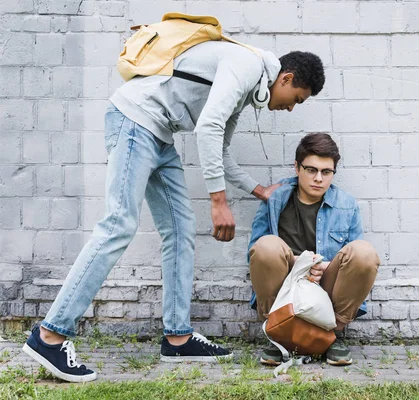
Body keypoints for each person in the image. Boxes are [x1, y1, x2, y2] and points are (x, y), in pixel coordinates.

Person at [22, 35, 325, 382]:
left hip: (158, 134)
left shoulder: (245, 88)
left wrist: (258, 190)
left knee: (181, 230)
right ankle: (51, 334)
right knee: (118, 226)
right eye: (296, 100)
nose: (291, 107)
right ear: (285, 79)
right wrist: (218, 201)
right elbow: (207, 127)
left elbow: (220, 149)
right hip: (135, 122)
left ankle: (178, 337)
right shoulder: (246, 65)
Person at [248, 133, 380, 366]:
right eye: (311, 170)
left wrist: (326, 266)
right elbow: (254, 251)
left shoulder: (346, 204)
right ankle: (279, 333)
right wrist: (299, 264)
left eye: (326, 172)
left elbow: (354, 262)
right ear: (297, 168)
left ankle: (331, 336)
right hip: (288, 284)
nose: (318, 178)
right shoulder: (275, 199)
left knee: (365, 253)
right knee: (266, 246)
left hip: (326, 287)